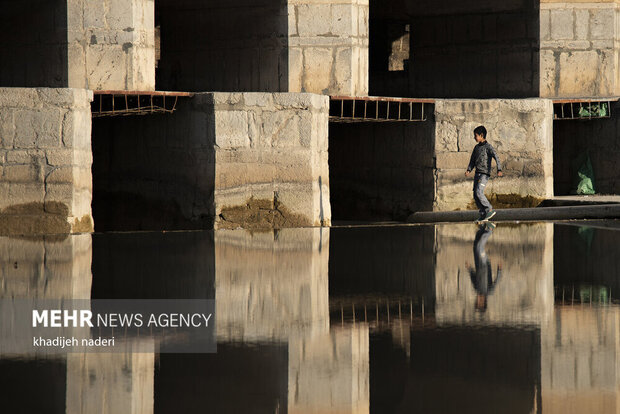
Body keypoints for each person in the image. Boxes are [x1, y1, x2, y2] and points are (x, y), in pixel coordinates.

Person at [465, 125, 503, 222]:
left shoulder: (488, 147)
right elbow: (472, 160)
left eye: (476, 135)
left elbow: (496, 157)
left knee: (479, 192)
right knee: (475, 194)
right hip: (477, 173)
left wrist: (499, 169)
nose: (474, 137)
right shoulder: (476, 147)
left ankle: (489, 209)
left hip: (484, 174)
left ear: (482, 135)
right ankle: (483, 213)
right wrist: (469, 169)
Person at [466, 222, 502, 312]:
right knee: (479, 247)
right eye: (480, 302)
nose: (479, 300)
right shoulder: (489, 291)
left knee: (475, 246)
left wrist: (469, 268)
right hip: (485, 264)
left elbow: (473, 277)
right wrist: (499, 270)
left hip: (478, 263)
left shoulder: (476, 289)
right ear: (485, 301)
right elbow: (496, 281)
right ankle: (490, 230)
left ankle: (482, 226)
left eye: (477, 302)